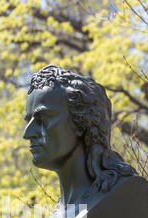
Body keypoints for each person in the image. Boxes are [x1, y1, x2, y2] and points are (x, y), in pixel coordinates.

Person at [23, 64, 136, 208]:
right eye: (28, 120)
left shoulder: (123, 193)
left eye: (43, 118)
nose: (27, 134)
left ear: (81, 121)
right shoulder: (61, 212)